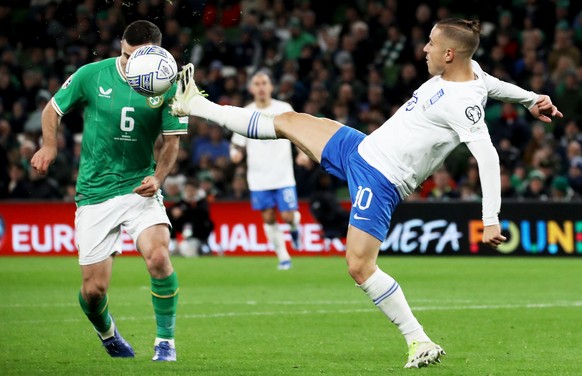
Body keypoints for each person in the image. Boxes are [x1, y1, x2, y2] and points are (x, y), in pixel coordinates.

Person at [170, 18, 562, 368]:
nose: (423, 48)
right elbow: (496, 85)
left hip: (382, 178)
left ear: (448, 53)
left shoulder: (464, 104)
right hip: (361, 147)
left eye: (430, 43)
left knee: (358, 266)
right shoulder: (471, 71)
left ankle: (418, 341)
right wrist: (531, 99)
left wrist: (490, 217)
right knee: (290, 120)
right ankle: (194, 104)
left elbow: (488, 156)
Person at [31, 20, 188, 362]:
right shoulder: (93, 74)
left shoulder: (166, 84)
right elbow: (52, 109)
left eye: (138, 58)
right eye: (126, 55)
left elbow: (173, 142)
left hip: (139, 188)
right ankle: (108, 334)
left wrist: (159, 178)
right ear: (120, 46)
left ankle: (165, 343)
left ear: (156, 54)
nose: (131, 65)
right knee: (93, 291)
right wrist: (49, 147)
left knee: (159, 258)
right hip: (94, 192)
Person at [229, 71, 302, 270]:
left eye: (264, 83)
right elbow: (236, 143)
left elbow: (298, 134)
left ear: (271, 87)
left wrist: (302, 152)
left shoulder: (283, 109)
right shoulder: (246, 112)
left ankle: (295, 227)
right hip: (259, 177)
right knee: (268, 217)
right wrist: (235, 154)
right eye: (257, 83)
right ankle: (283, 257)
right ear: (251, 89)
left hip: (283, 175)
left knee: (288, 216)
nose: (261, 87)